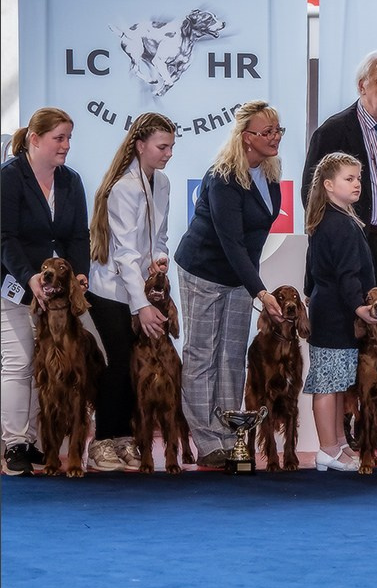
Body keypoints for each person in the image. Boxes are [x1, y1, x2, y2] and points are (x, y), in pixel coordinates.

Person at [303, 50, 377, 449]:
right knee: (355, 339)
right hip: (361, 245)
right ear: (362, 86)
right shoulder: (335, 130)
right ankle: (352, 425)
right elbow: (311, 192)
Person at [175, 100, 286, 468]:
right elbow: (231, 242)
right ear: (245, 137)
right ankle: (207, 443)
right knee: (202, 355)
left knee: (232, 356)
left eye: (277, 130)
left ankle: (229, 436)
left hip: (239, 277)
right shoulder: (222, 177)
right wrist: (261, 291)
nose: (274, 138)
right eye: (266, 132)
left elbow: (253, 242)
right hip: (203, 271)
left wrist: (251, 284)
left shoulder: (270, 174)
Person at [86, 112, 177, 472]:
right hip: (110, 290)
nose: (168, 153)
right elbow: (124, 253)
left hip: (136, 287)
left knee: (134, 367)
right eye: (161, 146)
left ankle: (125, 439)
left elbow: (159, 238)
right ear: (140, 146)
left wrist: (159, 259)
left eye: (171, 146)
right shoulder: (123, 188)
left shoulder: (164, 183)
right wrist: (141, 307)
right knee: (120, 361)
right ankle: (102, 442)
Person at [1, 107, 89, 476]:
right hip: (14, 286)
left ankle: (37, 442)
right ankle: (14, 445)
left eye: (69, 138)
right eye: (59, 138)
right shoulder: (9, 178)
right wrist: (29, 278)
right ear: (35, 140)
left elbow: (78, 236)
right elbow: (4, 237)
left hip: (58, 298)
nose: (66, 145)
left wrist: (80, 275)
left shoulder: (71, 181)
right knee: (19, 365)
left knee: (48, 370)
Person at [303, 152, 377, 472]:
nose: (357, 184)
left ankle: (338, 444)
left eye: (359, 178)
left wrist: (311, 293)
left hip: (330, 308)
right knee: (326, 384)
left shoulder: (332, 219)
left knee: (337, 384)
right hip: (336, 312)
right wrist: (359, 307)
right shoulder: (340, 225)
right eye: (348, 179)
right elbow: (347, 274)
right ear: (328, 185)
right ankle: (326, 448)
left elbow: (312, 271)